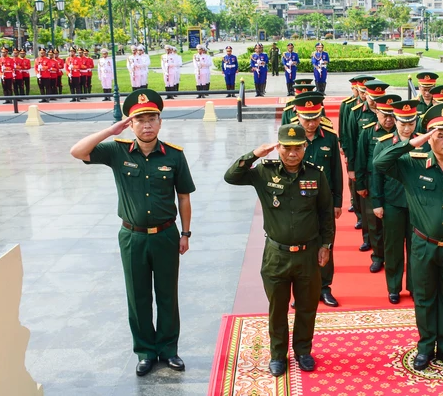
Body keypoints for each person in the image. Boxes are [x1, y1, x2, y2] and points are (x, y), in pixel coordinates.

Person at [69, 89, 195, 377]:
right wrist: (110, 130)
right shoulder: (117, 151)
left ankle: (169, 350)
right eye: (140, 119)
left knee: (167, 295)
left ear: (160, 122)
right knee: (137, 296)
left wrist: (185, 233)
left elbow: (184, 197)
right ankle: (145, 351)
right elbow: (77, 151)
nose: (147, 125)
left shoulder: (174, 156)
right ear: (131, 123)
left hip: (166, 235)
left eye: (152, 118)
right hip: (132, 236)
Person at [374, 103, 443, 372]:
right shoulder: (412, 165)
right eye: (439, 135)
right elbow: (380, 162)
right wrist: (412, 142)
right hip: (423, 245)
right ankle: (425, 348)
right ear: (429, 137)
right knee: (424, 298)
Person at [224, 123, 335, 377]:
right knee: (278, 308)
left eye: (297, 148)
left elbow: (326, 214)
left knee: (307, 307)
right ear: (278, 147)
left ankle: (303, 351)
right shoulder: (264, 172)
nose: (292, 153)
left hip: (308, 253)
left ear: (305, 148)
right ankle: (277, 355)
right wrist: (255, 154)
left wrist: (326, 246)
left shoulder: (316, 175)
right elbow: (231, 177)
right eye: (286, 148)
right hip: (277, 255)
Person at [371, 99, 425, 304]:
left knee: (416, 248)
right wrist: (377, 203)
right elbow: (376, 176)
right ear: (395, 121)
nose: (407, 127)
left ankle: (414, 286)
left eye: (410, 123)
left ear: (415, 122)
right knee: (393, 247)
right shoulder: (384, 144)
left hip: (417, 204)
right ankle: (393, 287)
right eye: (403, 123)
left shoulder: (424, 142)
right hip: (393, 203)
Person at [295, 93, 343, 307]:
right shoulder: (291, 138)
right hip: (299, 202)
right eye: (307, 118)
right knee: (300, 247)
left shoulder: (330, 138)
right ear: (297, 115)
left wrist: (338, 201)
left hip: (324, 202)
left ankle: (325, 287)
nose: (312, 123)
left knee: (326, 243)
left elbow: (336, 171)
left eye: (315, 117)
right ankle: (302, 291)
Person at [355, 92, 402, 273]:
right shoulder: (368, 132)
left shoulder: (403, 134)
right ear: (377, 114)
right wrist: (360, 185)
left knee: (393, 226)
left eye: (392, 115)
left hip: (395, 183)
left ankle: (393, 256)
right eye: (385, 115)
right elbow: (360, 159)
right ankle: (378, 256)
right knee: (374, 223)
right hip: (371, 180)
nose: (389, 119)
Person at [345, 80, 388, 252]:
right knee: (367, 210)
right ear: (365, 95)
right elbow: (351, 140)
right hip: (365, 169)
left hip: (387, 177)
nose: (375, 102)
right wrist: (352, 168)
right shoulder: (356, 112)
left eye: (379, 98)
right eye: (372, 98)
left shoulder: (390, 117)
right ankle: (367, 239)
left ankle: (381, 246)